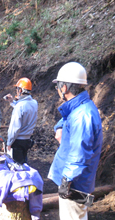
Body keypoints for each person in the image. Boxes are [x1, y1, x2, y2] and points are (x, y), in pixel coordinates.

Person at [48, 62, 103, 220]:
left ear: (64, 87)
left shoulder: (82, 116)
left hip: (75, 185)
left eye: (57, 86)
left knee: (73, 216)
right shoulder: (82, 108)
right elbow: (68, 116)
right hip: (81, 182)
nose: (57, 90)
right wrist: (59, 126)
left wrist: (66, 182)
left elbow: (79, 154)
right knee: (79, 215)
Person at [4, 77, 38, 164]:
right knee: (24, 163)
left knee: (17, 167)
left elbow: (15, 128)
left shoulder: (20, 106)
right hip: (27, 140)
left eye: (17, 89)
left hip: (17, 141)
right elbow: (25, 110)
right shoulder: (34, 103)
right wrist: (12, 102)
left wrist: (9, 142)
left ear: (20, 90)